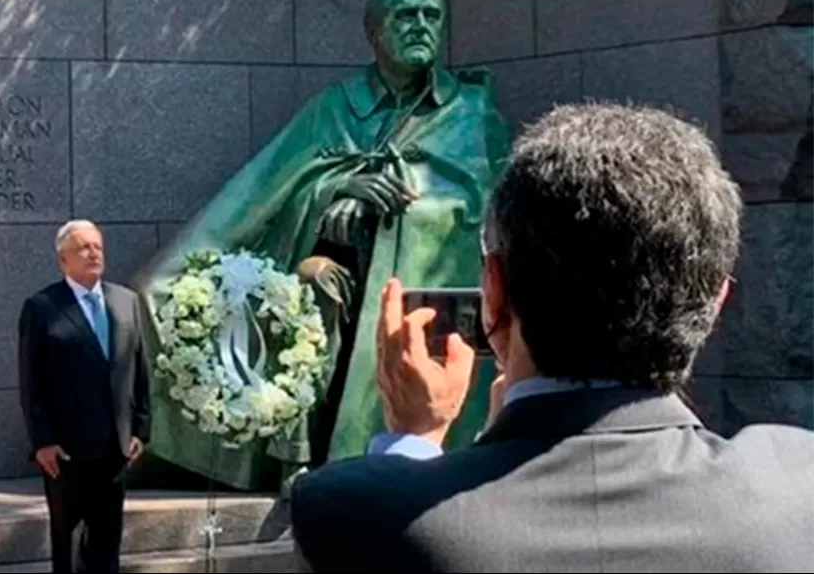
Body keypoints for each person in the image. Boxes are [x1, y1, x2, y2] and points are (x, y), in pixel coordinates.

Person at [290, 102, 814, 572]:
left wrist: (415, 441)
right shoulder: (797, 483)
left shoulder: (349, 512)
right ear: (716, 303)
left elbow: (390, 522)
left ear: (493, 295)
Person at [132, 0, 510, 492]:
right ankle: (294, 454)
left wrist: (404, 205)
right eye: (406, 16)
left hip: (419, 282)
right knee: (272, 288)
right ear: (375, 34)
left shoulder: (471, 109)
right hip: (330, 270)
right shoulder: (334, 108)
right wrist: (336, 194)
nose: (421, 26)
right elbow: (269, 192)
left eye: (432, 16)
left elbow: (490, 202)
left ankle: (387, 449)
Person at [18, 219, 151, 573]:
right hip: (66, 450)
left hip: (115, 447)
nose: (93, 253)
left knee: (107, 544)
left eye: (98, 247)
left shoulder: (126, 301)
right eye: (83, 248)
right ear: (63, 260)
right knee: (69, 543)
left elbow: (139, 367)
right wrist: (42, 440)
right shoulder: (42, 307)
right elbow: (31, 381)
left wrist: (140, 428)